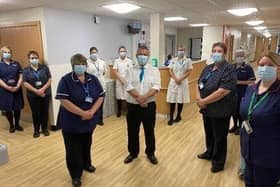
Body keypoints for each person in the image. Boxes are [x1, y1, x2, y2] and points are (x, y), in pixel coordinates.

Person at [56, 54, 105, 187]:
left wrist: (92, 112)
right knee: (73, 149)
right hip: (71, 122)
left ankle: (86, 164)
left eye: (83, 64)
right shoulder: (66, 80)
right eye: (78, 64)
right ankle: (75, 175)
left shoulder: (92, 79)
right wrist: (82, 113)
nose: (81, 66)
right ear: (73, 66)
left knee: (86, 144)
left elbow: (101, 96)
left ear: (86, 65)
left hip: (88, 121)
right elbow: (63, 100)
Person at [240, 52, 280, 187]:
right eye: (262, 65)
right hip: (248, 150)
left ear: (278, 68)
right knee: (249, 183)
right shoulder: (251, 89)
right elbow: (245, 113)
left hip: (269, 157)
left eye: (270, 65)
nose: (265, 68)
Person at [196, 42, 237, 173]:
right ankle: (209, 152)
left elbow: (223, 91)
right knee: (209, 133)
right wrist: (198, 99)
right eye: (214, 50)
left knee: (219, 136)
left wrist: (204, 101)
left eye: (219, 51)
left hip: (220, 109)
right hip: (206, 109)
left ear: (224, 54)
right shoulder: (208, 68)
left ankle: (218, 162)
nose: (216, 53)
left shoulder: (228, 69)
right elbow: (198, 83)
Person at [124, 46, 161, 165]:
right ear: (136, 55)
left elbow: (156, 87)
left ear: (148, 56)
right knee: (132, 131)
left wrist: (143, 98)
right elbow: (128, 86)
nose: (142, 57)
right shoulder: (130, 70)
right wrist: (139, 99)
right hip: (133, 106)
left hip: (148, 106)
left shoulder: (154, 70)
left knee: (149, 131)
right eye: (140, 54)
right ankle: (133, 153)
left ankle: (150, 153)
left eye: (145, 55)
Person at [23, 50, 52, 138]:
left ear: (38, 58)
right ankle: (36, 130)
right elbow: (25, 83)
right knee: (36, 113)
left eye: (36, 58)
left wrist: (42, 89)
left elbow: (49, 79)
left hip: (45, 93)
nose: (34, 59)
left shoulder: (44, 68)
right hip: (32, 95)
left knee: (45, 112)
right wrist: (36, 91)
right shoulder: (26, 70)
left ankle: (44, 129)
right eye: (32, 58)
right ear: (29, 59)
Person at [229, 49, 256, 135]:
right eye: (238, 56)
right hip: (232, 93)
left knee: (240, 110)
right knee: (233, 110)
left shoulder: (248, 68)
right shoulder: (231, 67)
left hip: (243, 92)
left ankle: (241, 127)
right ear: (235, 56)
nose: (239, 57)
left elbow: (252, 81)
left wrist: (239, 82)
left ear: (244, 57)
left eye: (241, 56)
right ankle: (235, 126)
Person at [0, 46, 24, 133]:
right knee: (8, 108)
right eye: (5, 52)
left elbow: (21, 75)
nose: (7, 54)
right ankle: (11, 125)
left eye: (9, 52)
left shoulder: (16, 63)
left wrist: (18, 85)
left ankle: (17, 124)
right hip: (5, 90)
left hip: (17, 89)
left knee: (17, 107)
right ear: (2, 54)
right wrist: (7, 87)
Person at [166, 47, 192, 125]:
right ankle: (171, 117)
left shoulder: (188, 60)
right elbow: (170, 70)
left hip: (182, 82)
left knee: (181, 100)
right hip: (174, 82)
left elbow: (189, 71)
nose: (181, 51)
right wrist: (175, 79)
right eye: (179, 50)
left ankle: (178, 116)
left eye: (182, 50)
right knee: (172, 100)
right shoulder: (173, 60)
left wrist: (180, 79)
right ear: (177, 51)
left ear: (184, 51)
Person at [87, 46, 106, 125]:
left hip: (101, 85)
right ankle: (93, 119)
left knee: (101, 104)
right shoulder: (87, 62)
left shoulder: (102, 62)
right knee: (92, 104)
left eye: (95, 52)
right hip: (91, 86)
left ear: (97, 53)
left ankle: (100, 119)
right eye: (92, 53)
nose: (94, 54)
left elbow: (104, 72)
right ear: (90, 54)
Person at [113, 46, 133, 117]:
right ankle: (119, 111)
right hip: (119, 81)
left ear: (126, 52)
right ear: (119, 52)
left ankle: (128, 111)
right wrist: (120, 79)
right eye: (121, 51)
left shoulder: (129, 61)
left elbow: (131, 71)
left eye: (123, 51)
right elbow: (115, 71)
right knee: (119, 97)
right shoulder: (116, 61)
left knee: (127, 96)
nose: (122, 53)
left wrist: (125, 80)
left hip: (127, 81)